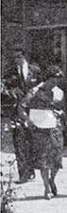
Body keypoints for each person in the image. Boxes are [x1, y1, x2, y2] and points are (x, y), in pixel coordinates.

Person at [19, 65, 66, 200]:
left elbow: (62, 109)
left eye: (58, 80)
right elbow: (22, 107)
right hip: (40, 128)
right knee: (44, 159)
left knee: (57, 158)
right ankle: (46, 188)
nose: (55, 83)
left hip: (55, 127)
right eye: (53, 80)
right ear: (48, 78)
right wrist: (28, 120)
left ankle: (52, 179)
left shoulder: (59, 92)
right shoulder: (35, 91)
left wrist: (60, 113)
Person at [3, 49, 39, 183]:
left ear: (24, 56)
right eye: (14, 57)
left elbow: (42, 87)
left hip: (33, 111)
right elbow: (3, 88)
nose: (16, 59)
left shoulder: (35, 70)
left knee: (33, 141)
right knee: (19, 141)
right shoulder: (10, 72)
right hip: (17, 111)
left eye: (19, 57)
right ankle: (23, 173)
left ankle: (32, 171)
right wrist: (11, 92)